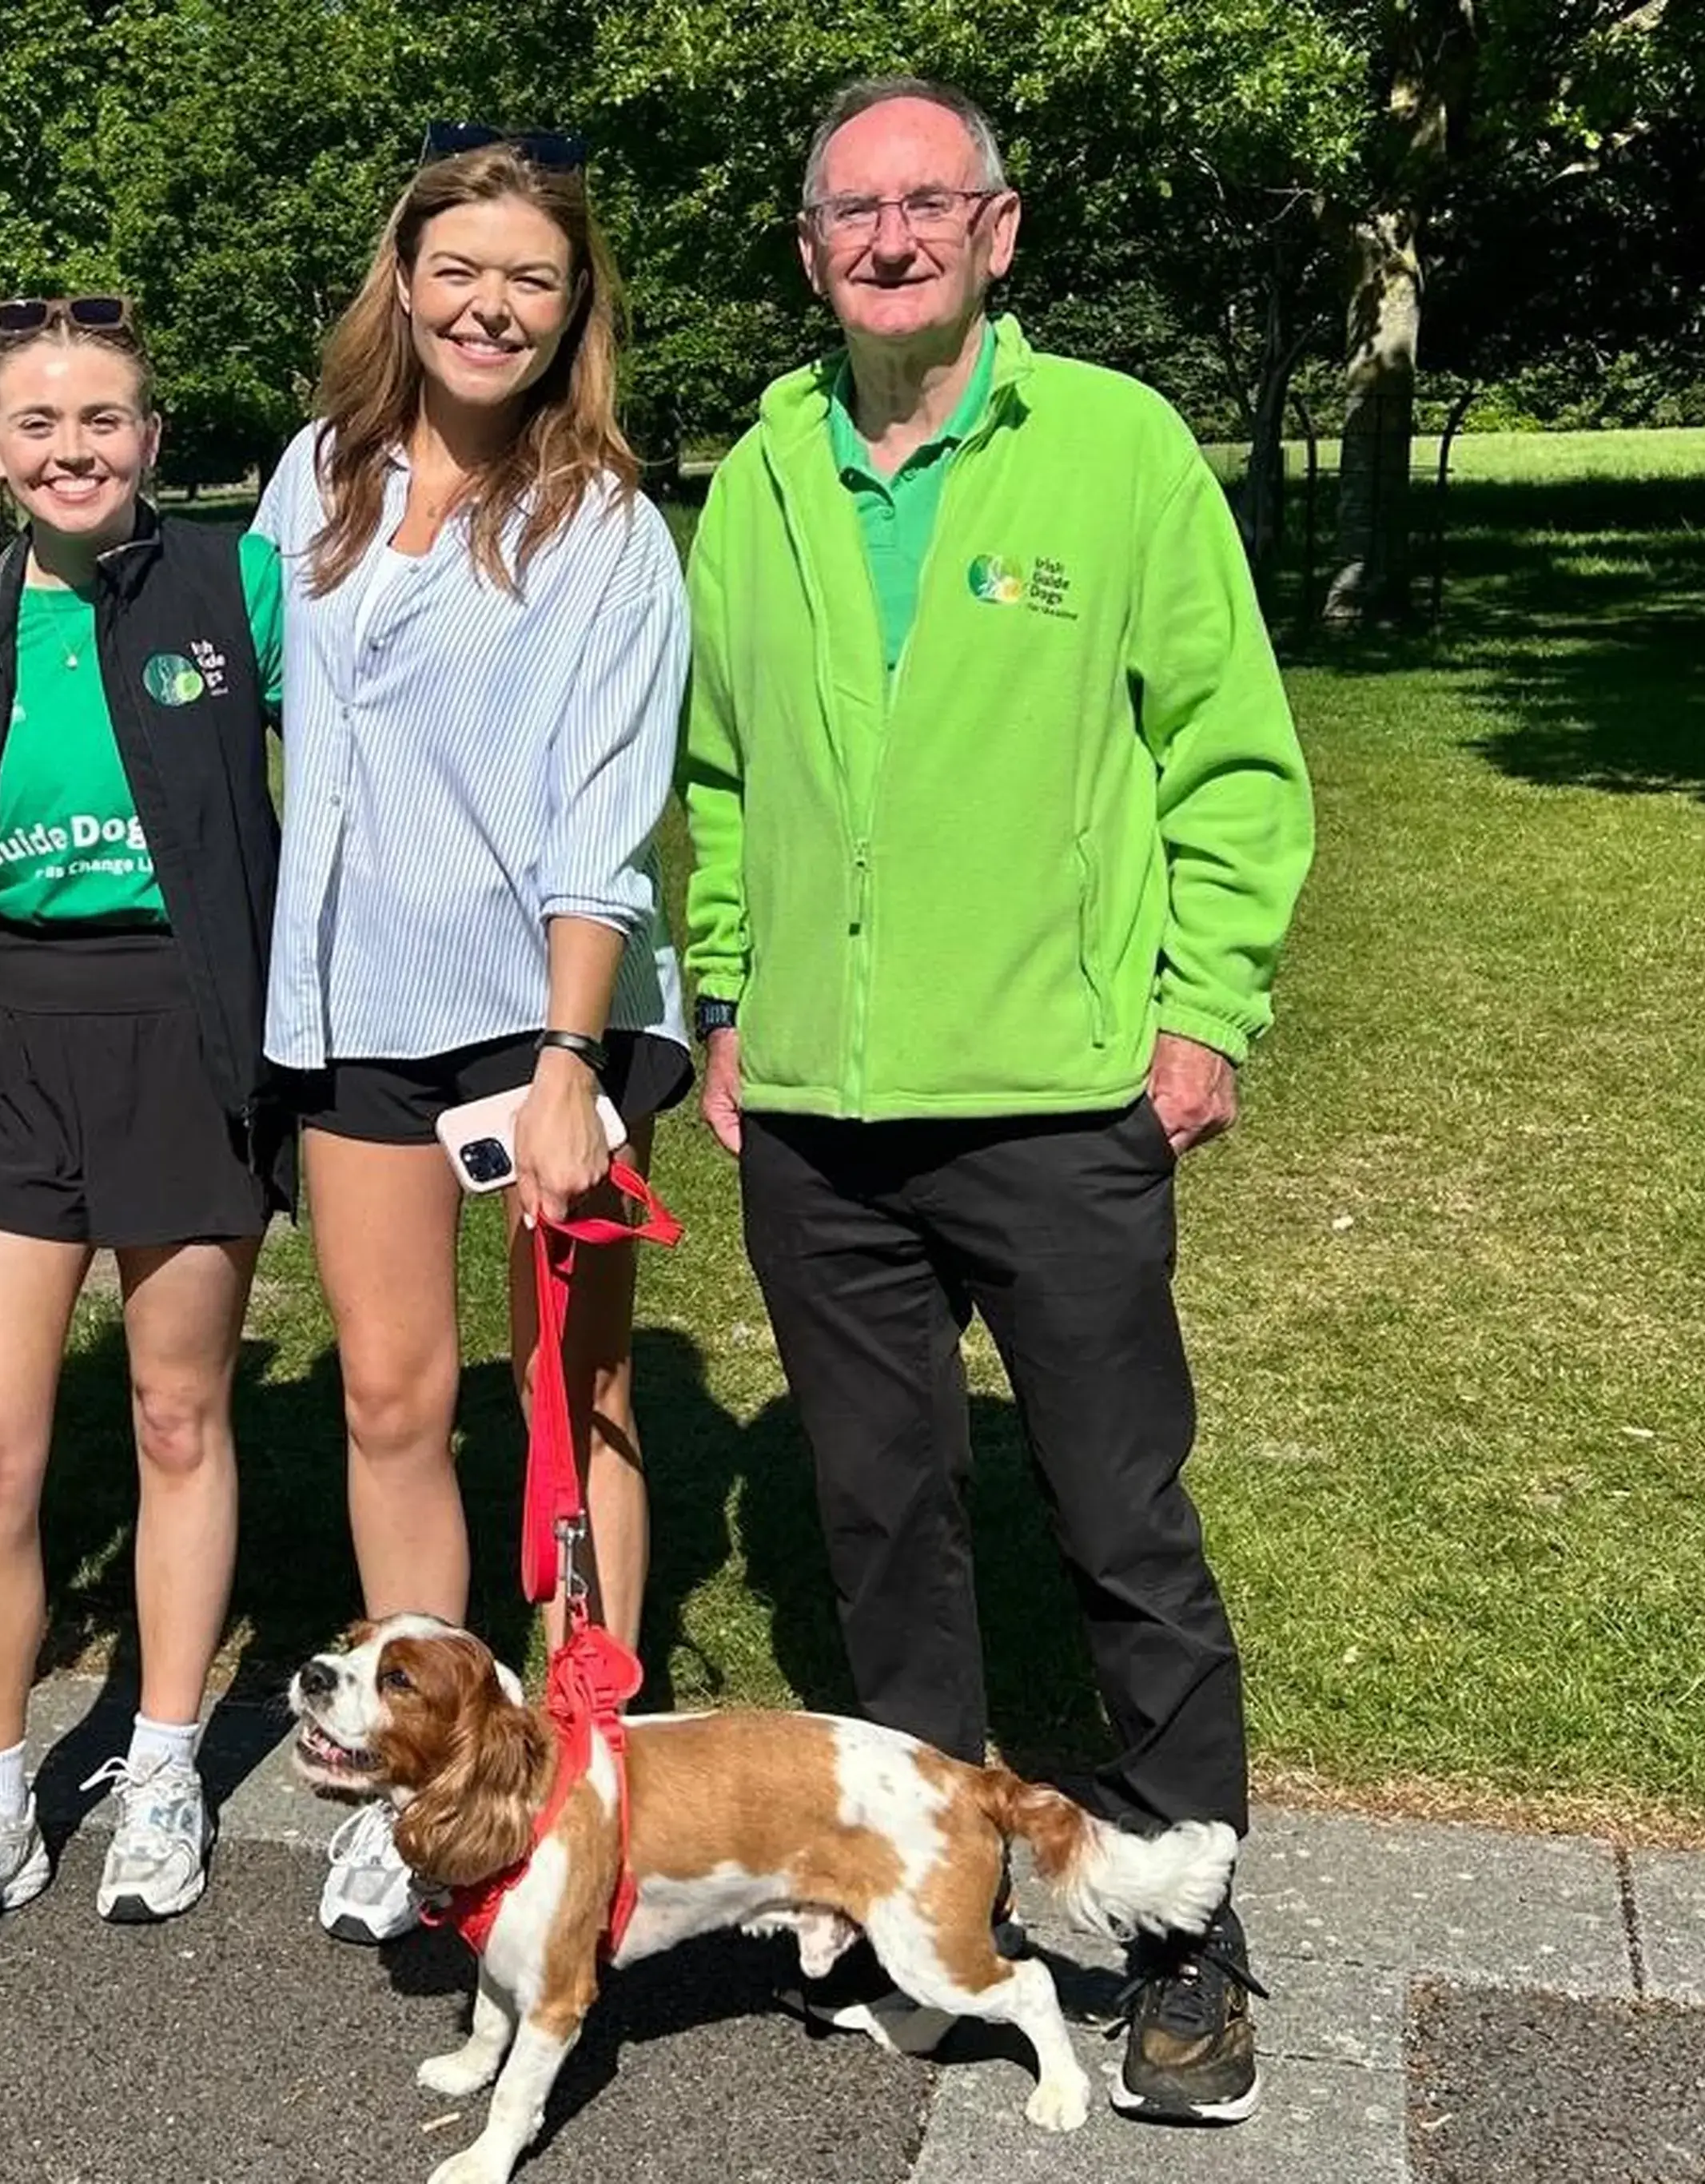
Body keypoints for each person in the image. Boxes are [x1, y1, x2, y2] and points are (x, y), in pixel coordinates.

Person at [679, 77, 1317, 2124]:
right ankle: (928, 1907)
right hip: (826, 1125)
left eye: (924, 206)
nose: (887, 239)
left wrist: (1201, 1007)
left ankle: (1184, 1925)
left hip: (1056, 1104)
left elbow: (1229, 759)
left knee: (1120, 1518)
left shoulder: (1116, 450)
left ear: (998, 230)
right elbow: (719, 781)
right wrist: (724, 997)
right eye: (850, 213)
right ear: (809, 250)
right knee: (880, 1522)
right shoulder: (763, 472)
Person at [254, 126, 691, 1949]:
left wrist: (574, 1063)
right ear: (405, 283)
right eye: (459, 270)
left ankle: (591, 1760)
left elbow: (606, 813)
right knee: (390, 1394)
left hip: (541, 1019)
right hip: (349, 1008)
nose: (489, 305)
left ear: (573, 302)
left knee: (573, 1396)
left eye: (531, 276)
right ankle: (426, 1771)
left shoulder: (606, 529)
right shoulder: (316, 474)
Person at [0, 296, 285, 1968]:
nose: (72, 449)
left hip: (184, 1032)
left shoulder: (233, 585)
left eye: (103, 418)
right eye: (38, 425)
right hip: (2, 1052)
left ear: (154, 438)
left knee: (181, 1418)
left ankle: (167, 1764)